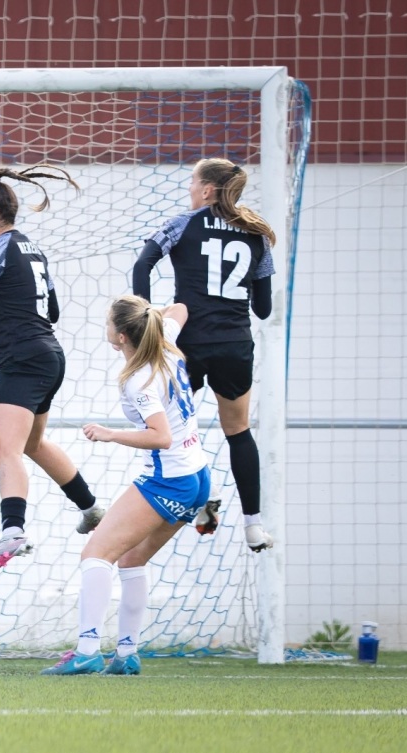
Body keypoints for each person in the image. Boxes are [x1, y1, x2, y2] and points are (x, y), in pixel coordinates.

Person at [0, 167, 104, 575]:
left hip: (23, 360)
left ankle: (12, 531)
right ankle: (90, 507)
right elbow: (51, 311)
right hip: (50, 357)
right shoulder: (32, 248)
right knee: (32, 444)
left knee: (5, 448)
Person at [42, 297, 205, 676]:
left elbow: (161, 436)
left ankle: (86, 652)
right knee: (132, 559)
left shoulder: (139, 380)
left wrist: (110, 434)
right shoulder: (166, 343)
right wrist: (153, 315)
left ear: (118, 337)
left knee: (95, 555)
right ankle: (127, 654)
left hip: (169, 479)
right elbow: (181, 307)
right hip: (197, 476)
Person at [132, 158, 276, 552]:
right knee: (239, 432)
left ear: (208, 190)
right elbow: (263, 309)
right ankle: (253, 525)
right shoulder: (257, 235)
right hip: (234, 346)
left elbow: (143, 262)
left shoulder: (183, 223)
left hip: (188, 345)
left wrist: (146, 313)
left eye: (193, 183)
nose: (190, 190)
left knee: (173, 429)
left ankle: (196, 499)